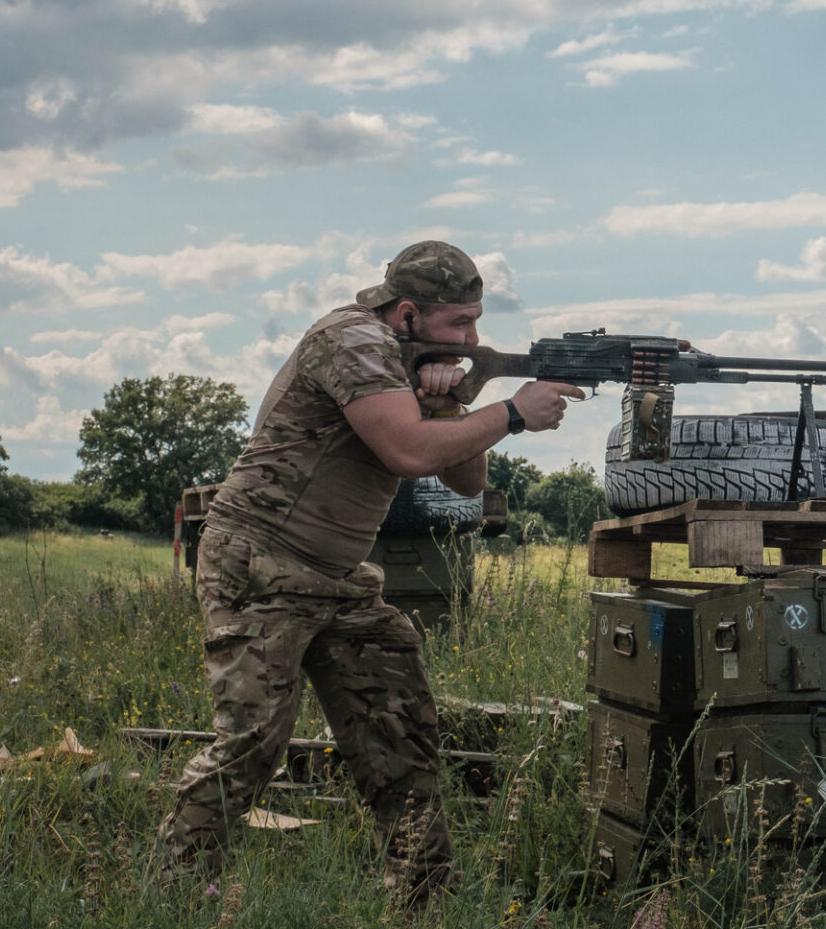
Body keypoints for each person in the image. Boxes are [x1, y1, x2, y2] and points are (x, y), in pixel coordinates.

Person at [158, 240, 583, 901]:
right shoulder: (352, 341)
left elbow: (466, 482)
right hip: (262, 561)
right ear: (408, 313)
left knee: (400, 727)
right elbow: (408, 450)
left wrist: (452, 404)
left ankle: (424, 897)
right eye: (460, 324)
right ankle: (171, 892)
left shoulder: (408, 358)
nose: (473, 337)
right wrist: (515, 412)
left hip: (337, 574)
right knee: (252, 743)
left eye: (476, 322)